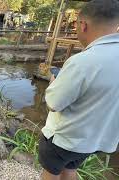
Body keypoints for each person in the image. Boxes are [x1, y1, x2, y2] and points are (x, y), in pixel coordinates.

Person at [39, 0, 119, 179]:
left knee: (51, 172)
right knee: (70, 169)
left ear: (83, 25)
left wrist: (53, 81)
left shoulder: (83, 61)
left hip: (65, 139)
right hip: (96, 140)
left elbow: (54, 103)